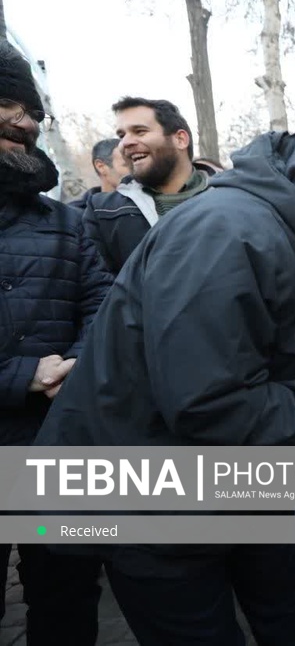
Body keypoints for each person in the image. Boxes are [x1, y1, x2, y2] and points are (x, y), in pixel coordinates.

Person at [33, 133, 295, 644]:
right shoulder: (226, 232)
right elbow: (209, 406)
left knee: (290, 620)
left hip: (239, 483)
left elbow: (253, 352)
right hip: (150, 502)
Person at [0, 40, 113, 645]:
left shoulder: (67, 223)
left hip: (57, 447)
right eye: (7, 103)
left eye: (33, 110)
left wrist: (73, 364)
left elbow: (103, 304)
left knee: (65, 599)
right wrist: (22, 377)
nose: (28, 122)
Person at [83, 97, 205, 274]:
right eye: (121, 135)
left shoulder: (231, 198)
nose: (125, 143)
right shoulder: (103, 213)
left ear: (180, 139)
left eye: (140, 131)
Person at [69, 138, 130, 210]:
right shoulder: (77, 215)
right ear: (101, 167)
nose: (135, 171)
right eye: (127, 165)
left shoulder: (144, 203)